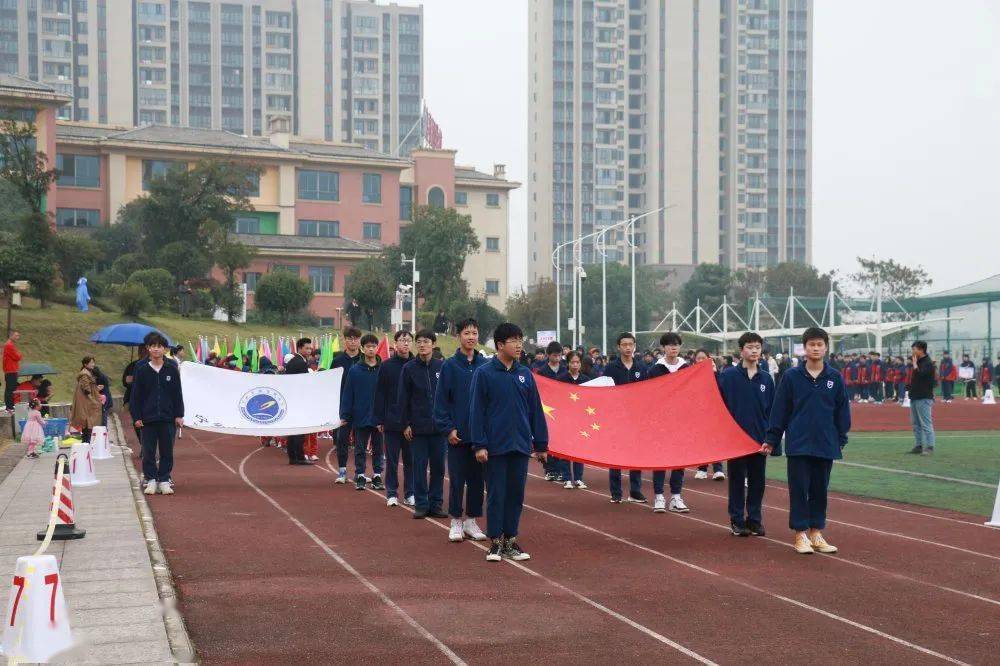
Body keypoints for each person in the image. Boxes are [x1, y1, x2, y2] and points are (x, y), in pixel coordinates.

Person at [765, 327, 851, 555]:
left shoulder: (834, 377)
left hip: (825, 442)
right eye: (811, 344)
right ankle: (800, 534)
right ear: (805, 348)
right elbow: (780, 409)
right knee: (799, 489)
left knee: (820, 490)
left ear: (825, 348)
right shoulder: (792, 377)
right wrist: (773, 437)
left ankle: (816, 532)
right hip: (799, 443)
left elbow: (842, 409)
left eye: (819, 344)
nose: (815, 348)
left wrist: (841, 436)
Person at [469, 323, 548, 562]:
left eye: (520, 339)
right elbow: (477, 411)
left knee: (515, 494)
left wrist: (541, 444)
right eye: (513, 340)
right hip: (494, 447)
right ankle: (494, 541)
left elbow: (536, 410)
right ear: (500, 345)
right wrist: (479, 444)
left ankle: (510, 540)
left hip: (520, 445)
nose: (519, 345)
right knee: (496, 493)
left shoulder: (525, 374)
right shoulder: (484, 373)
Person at [434, 318, 490, 542]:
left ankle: (471, 520)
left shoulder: (484, 366)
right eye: (467, 333)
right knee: (457, 479)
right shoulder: (449, 366)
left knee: (477, 480)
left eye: (474, 333)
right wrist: (448, 429)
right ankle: (456, 520)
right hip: (457, 435)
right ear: (459, 336)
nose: (471, 337)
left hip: (478, 437)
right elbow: (441, 402)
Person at [718, 332, 774, 537]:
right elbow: (718, 404)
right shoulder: (728, 376)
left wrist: (771, 438)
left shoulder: (766, 378)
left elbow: (772, 409)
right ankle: (737, 520)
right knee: (736, 480)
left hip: (759, 439)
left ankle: (754, 519)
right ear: (741, 350)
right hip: (735, 439)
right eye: (750, 347)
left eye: (757, 347)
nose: (754, 351)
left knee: (758, 482)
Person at [398, 329, 447, 520]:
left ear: (433, 344)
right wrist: (406, 424)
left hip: (439, 429)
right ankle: (421, 504)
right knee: (419, 466)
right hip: (417, 428)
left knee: (438, 468)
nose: (422, 345)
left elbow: (448, 397)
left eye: (426, 341)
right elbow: (402, 399)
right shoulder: (409, 369)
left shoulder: (442, 367)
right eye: (419, 341)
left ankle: (436, 504)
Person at [130, 332, 184, 496]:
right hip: (148, 418)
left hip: (168, 417)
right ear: (148, 348)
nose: (156, 349)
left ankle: (165, 480)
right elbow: (136, 396)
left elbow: (177, 393)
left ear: (165, 349)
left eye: (159, 346)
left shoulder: (171, 368)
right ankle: (151, 480)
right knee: (148, 451)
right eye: (153, 346)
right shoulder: (141, 369)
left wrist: (179, 414)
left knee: (167, 451)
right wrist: (137, 417)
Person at [647, 333, 695, 512]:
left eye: (676, 345)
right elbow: (649, 396)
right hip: (661, 421)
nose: (673, 348)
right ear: (663, 348)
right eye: (669, 345)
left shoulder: (687, 369)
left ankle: (676, 497)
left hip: (680, 421)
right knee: (660, 459)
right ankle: (659, 496)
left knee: (679, 460)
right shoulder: (655, 370)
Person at [603, 332, 648, 504]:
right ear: (618, 347)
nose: (628, 347)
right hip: (616, 418)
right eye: (624, 345)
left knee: (636, 454)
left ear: (634, 346)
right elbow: (605, 393)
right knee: (615, 454)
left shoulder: (641, 368)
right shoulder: (611, 368)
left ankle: (635, 491)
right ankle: (616, 492)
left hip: (636, 418)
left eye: (630, 344)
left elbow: (647, 392)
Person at [373, 330, 415, 506]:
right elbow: (380, 393)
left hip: (412, 423)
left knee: (410, 460)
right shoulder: (387, 365)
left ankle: (410, 493)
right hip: (391, 420)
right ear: (395, 343)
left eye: (408, 340)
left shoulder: (416, 365)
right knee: (391, 460)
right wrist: (379, 419)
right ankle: (391, 492)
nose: (405, 344)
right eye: (402, 340)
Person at [340, 334, 384, 490]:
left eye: (374, 346)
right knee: (360, 448)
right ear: (363, 348)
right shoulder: (355, 370)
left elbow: (388, 393)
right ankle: (360, 475)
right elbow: (348, 393)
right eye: (368, 346)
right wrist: (345, 414)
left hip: (379, 417)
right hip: (360, 415)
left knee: (379, 448)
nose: (371, 349)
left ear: (377, 348)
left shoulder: (383, 369)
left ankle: (377, 475)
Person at [555, 350, 591, 489]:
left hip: (581, 418)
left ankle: (578, 478)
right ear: (568, 363)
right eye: (572, 362)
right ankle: (567, 478)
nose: (575, 365)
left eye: (577, 362)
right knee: (566, 448)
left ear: (580, 364)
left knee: (579, 449)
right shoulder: (561, 379)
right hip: (566, 418)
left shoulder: (586, 380)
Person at [330, 327, 363, 476]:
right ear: (344, 340)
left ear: (359, 341)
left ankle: (359, 472)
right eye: (349, 338)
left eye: (355, 338)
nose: (352, 341)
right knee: (341, 439)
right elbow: (330, 384)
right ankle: (342, 470)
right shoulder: (337, 361)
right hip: (342, 407)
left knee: (360, 441)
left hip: (362, 406)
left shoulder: (365, 359)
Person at [691, 348, 726, 482]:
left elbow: (722, 389)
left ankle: (718, 469)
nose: (701, 360)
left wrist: (715, 373)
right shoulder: (691, 375)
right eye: (698, 358)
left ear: (709, 359)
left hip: (715, 411)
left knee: (715, 440)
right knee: (702, 440)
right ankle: (702, 468)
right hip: (699, 412)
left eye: (703, 358)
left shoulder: (717, 373)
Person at [283, 338, 313, 465]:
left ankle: (294, 456)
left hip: (292, 399)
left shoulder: (294, 361)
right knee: (299, 431)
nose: (309, 350)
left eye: (310, 348)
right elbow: (303, 384)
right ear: (299, 348)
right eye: (307, 348)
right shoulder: (300, 363)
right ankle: (298, 457)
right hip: (298, 400)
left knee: (294, 430)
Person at [907, 340, 936, 455]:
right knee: (915, 423)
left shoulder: (928, 363)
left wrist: (914, 365)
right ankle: (918, 445)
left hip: (924, 396)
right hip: (915, 396)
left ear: (921, 349)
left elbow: (921, 375)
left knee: (926, 423)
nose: (913, 351)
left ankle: (930, 446)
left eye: (914, 349)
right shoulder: (918, 361)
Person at [71, 356, 103, 443]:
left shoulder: (86, 373)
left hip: (86, 402)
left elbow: (88, 388)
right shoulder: (85, 374)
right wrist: (93, 400)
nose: (93, 364)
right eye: (91, 363)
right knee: (88, 424)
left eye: (93, 362)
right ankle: (86, 445)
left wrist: (95, 388)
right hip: (86, 402)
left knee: (87, 425)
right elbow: (86, 389)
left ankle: (86, 444)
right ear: (85, 364)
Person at [3, 329, 21, 412]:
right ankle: (9, 406)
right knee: (11, 389)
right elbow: (17, 357)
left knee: (10, 388)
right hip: (11, 370)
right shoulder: (9, 345)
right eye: (16, 335)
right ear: (11, 335)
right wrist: (19, 354)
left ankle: (9, 406)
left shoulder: (10, 345)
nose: (18, 337)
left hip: (11, 370)